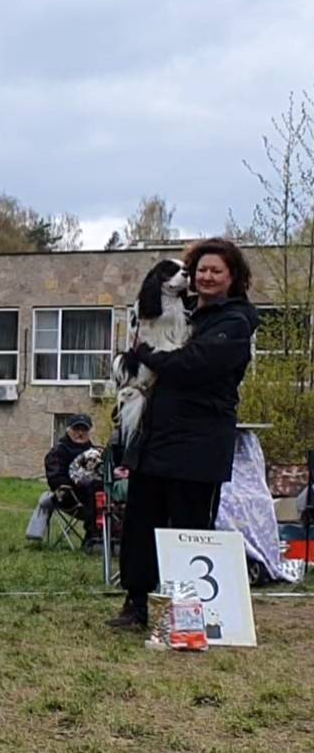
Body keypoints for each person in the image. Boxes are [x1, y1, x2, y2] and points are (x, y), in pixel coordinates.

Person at [110, 238, 257, 629]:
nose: (206, 277)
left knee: (191, 528)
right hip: (155, 439)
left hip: (199, 444)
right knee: (141, 524)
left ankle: (191, 614)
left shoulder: (236, 322)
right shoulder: (182, 310)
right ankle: (136, 604)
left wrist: (146, 355)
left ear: (233, 277)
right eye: (201, 271)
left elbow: (193, 365)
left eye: (216, 271)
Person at [25, 415, 99, 545]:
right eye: (76, 429)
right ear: (68, 430)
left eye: (84, 430)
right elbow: (55, 478)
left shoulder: (94, 452)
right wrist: (72, 483)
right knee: (93, 488)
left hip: (96, 495)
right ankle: (93, 537)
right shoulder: (59, 451)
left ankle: (110, 538)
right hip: (68, 496)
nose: (80, 433)